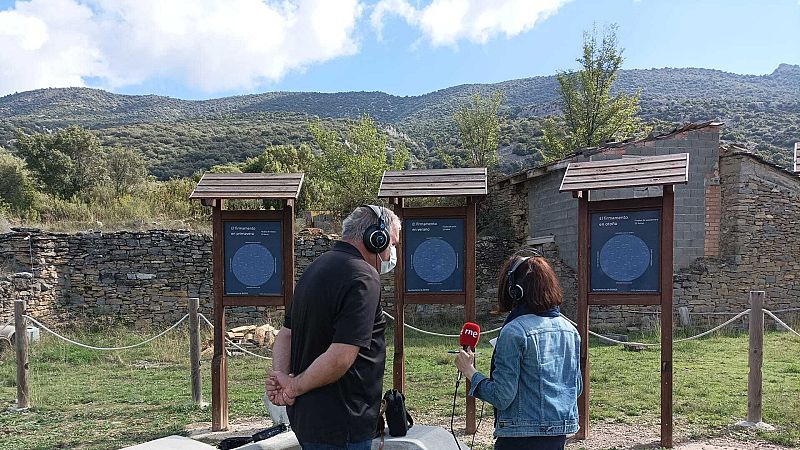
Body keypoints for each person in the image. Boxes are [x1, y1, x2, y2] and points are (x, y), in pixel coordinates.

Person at [266, 204, 401, 450]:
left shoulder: (316, 267)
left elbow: (286, 335)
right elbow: (340, 357)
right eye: (391, 244)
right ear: (376, 238)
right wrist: (291, 386)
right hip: (343, 423)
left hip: (309, 419)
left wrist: (281, 380)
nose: (392, 252)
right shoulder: (363, 277)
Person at [455, 251, 582, 450]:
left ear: (516, 290)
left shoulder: (514, 332)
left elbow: (502, 396)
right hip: (558, 435)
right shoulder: (570, 330)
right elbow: (576, 388)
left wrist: (469, 371)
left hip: (519, 439)